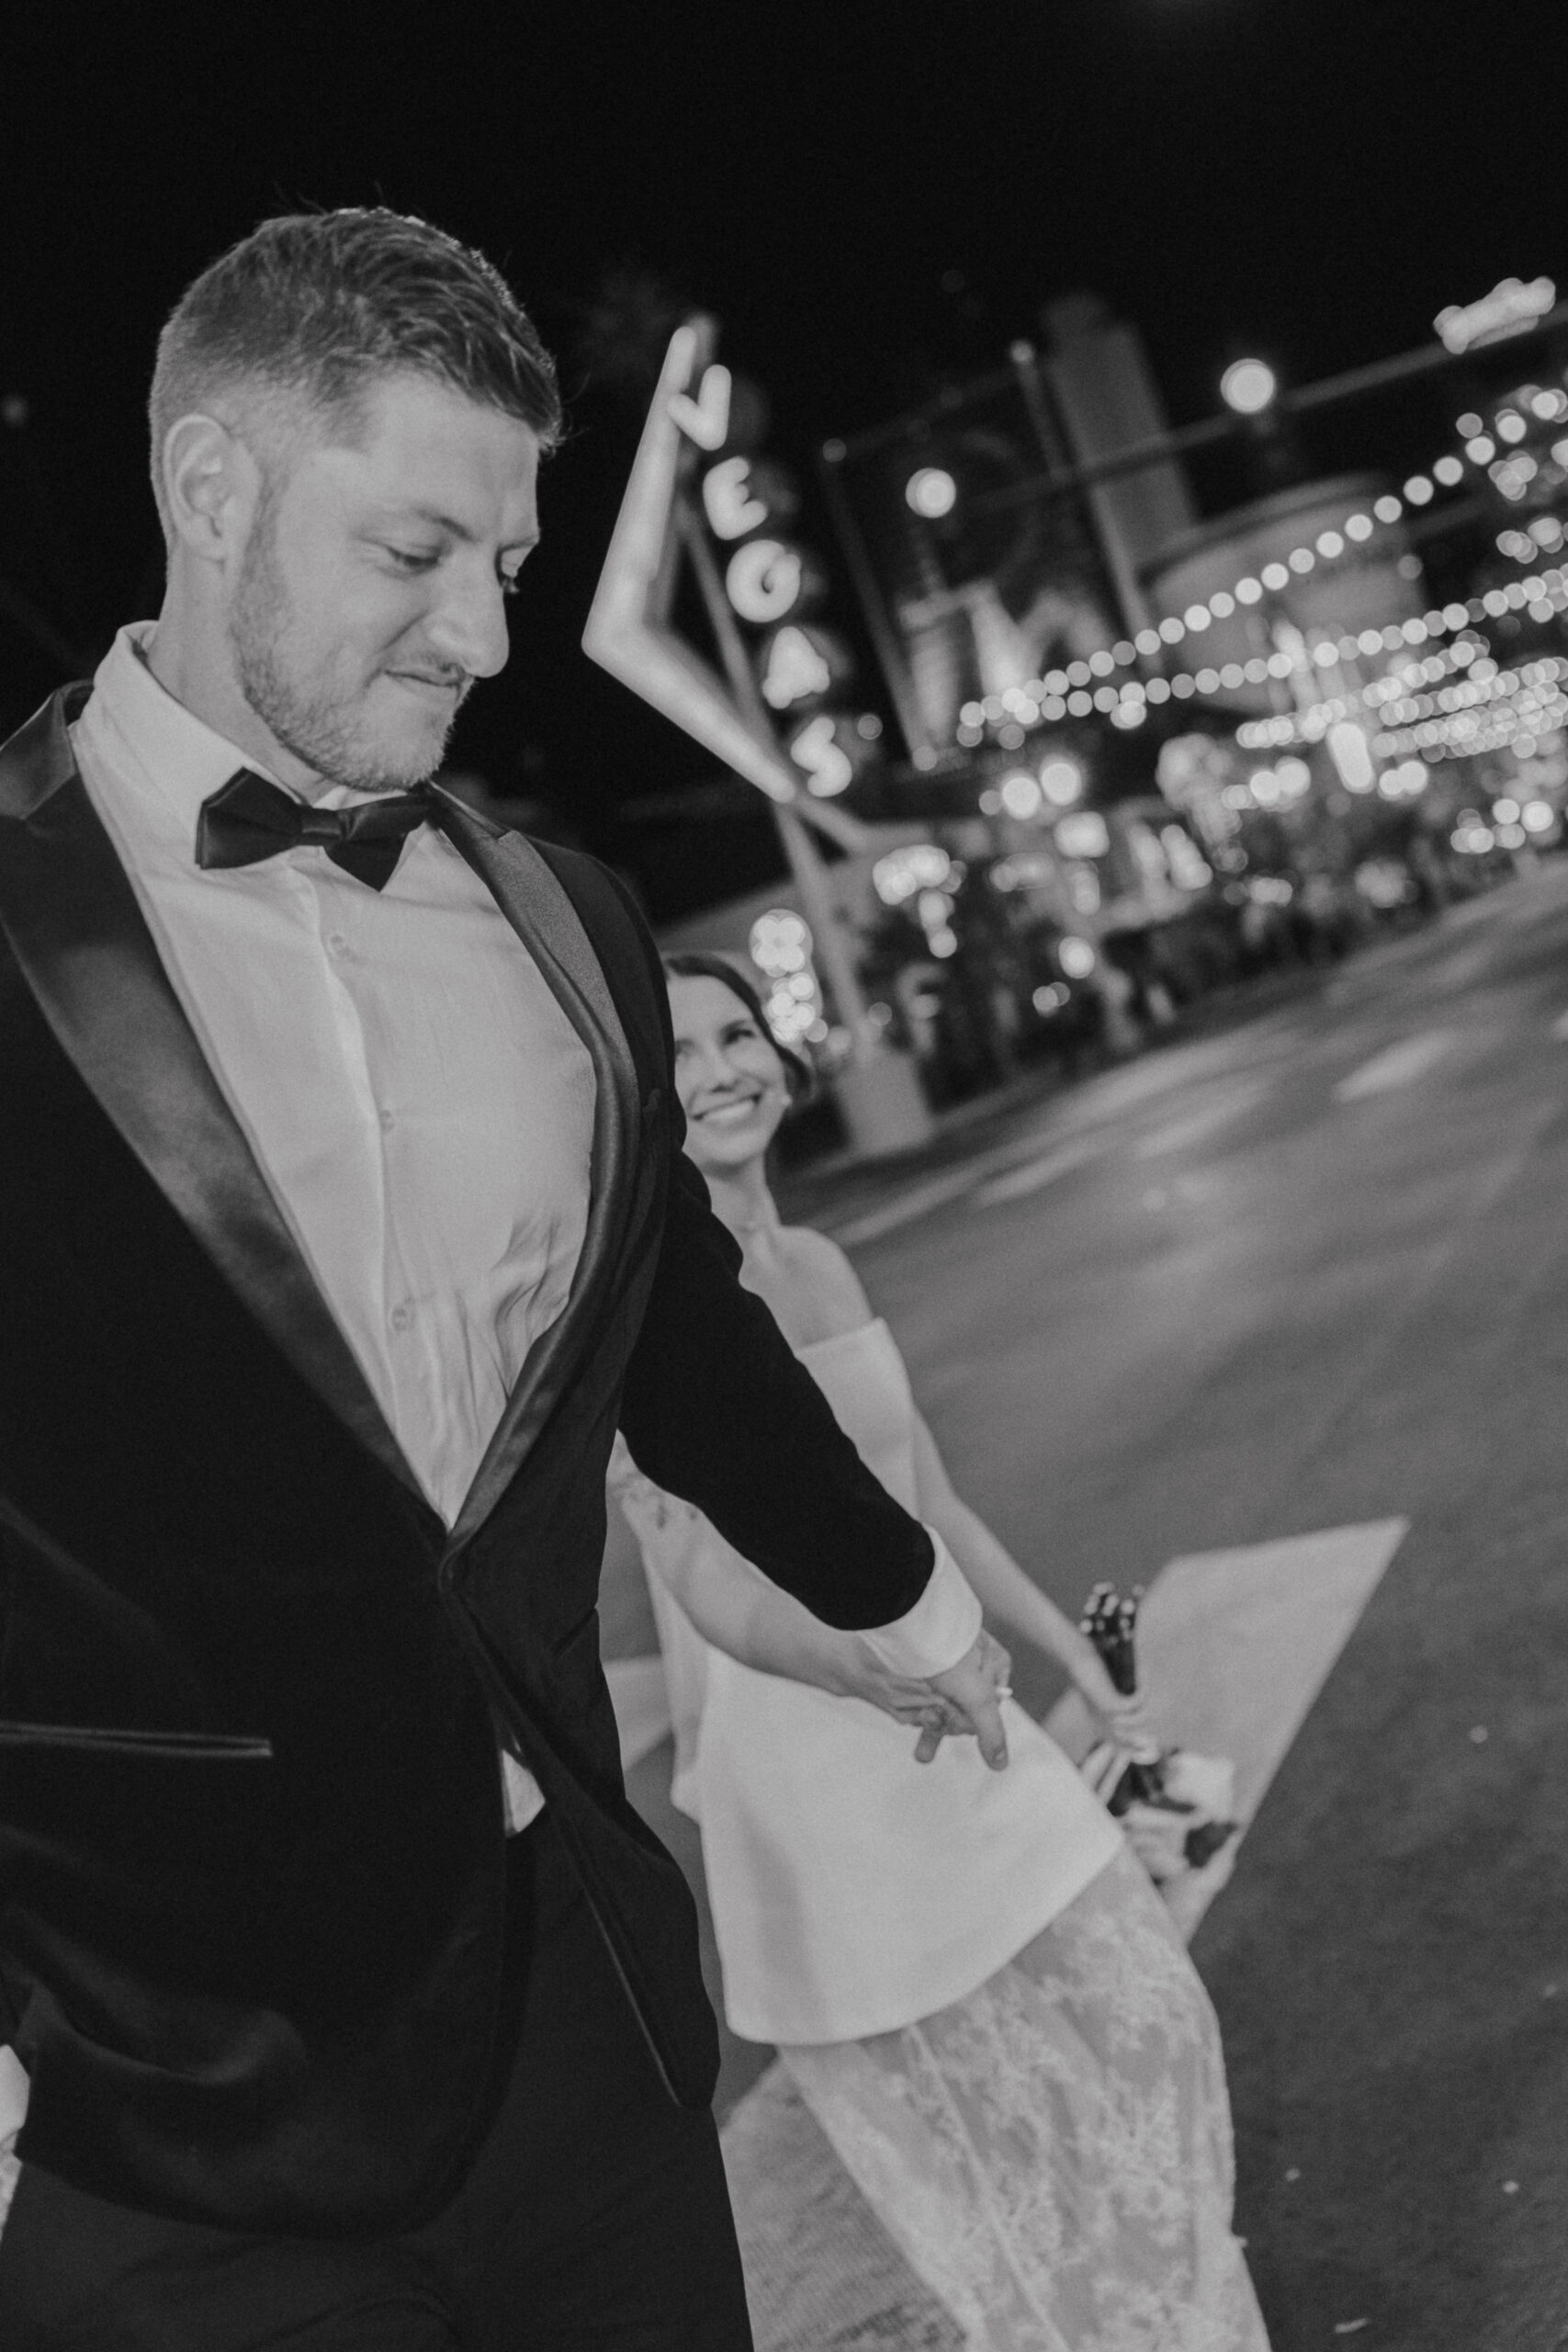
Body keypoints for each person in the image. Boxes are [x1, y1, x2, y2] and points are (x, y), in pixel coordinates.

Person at [0, 209, 1013, 2350]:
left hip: (585, 2009)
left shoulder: (567, 923)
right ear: (211, 486)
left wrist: (910, 1605)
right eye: (413, 551)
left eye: (511, 565)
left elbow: (678, 1341)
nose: (478, 630)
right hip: (162, 2087)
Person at [610, 952, 1271, 2352]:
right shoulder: (647, 1318)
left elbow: (932, 1504)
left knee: (1149, 2021)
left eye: (740, 1035)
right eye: (682, 1053)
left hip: (957, 1707)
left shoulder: (821, 1262)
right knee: (987, 2157)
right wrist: (862, 1665)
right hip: (825, 1769)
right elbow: (703, 1583)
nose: (722, 1071)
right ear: (639, 1099)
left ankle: (1170, 2324)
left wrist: (1065, 1654)